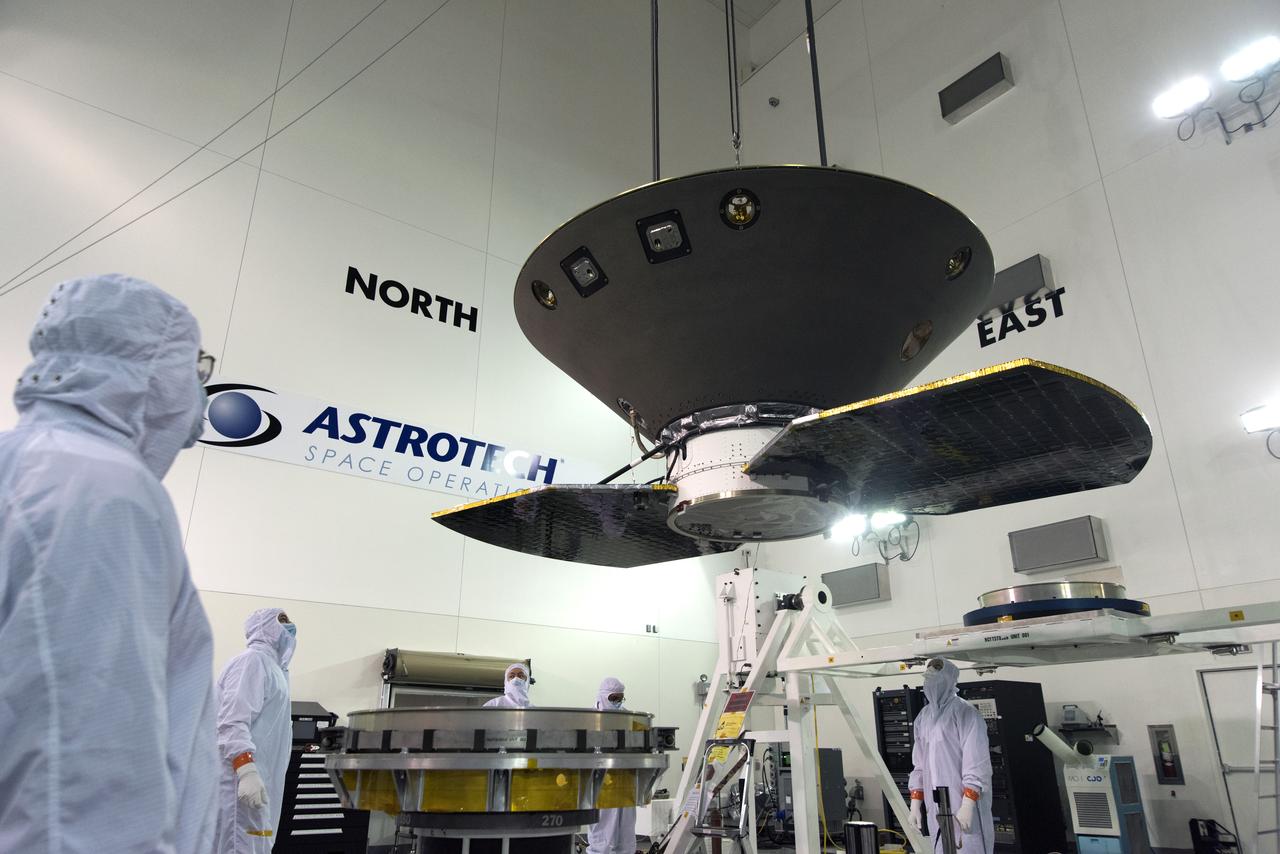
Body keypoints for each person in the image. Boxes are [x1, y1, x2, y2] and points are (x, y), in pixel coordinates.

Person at [0, 274, 217, 852]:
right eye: (194, 369)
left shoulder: (24, 465)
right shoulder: (100, 490)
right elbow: (77, 777)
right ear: (155, 371)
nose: (199, 398)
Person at [214, 608, 297, 853]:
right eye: (282, 621)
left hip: (261, 784)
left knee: (256, 843)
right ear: (263, 627)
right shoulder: (252, 661)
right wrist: (246, 771)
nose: (289, 627)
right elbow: (232, 722)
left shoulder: (276, 669)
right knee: (240, 845)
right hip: (241, 783)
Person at [908, 658, 994, 854]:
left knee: (969, 847)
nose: (929, 684)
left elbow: (976, 763)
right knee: (941, 848)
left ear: (948, 680)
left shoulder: (965, 713)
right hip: (936, 804)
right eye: (927, 679)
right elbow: (919, 765)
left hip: (963, 802)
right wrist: (915, 803)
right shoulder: (923, 717)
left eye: (934, 679)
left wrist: (968, 803)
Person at [588, 677, 636, 854]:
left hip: (625, 780)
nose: (617, 702)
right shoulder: (589, 719)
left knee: (626, 832)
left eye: (620, 698)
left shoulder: (628, 717)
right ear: (603, 695)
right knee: (602, 830)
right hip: (599, 782)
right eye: (613, 698)